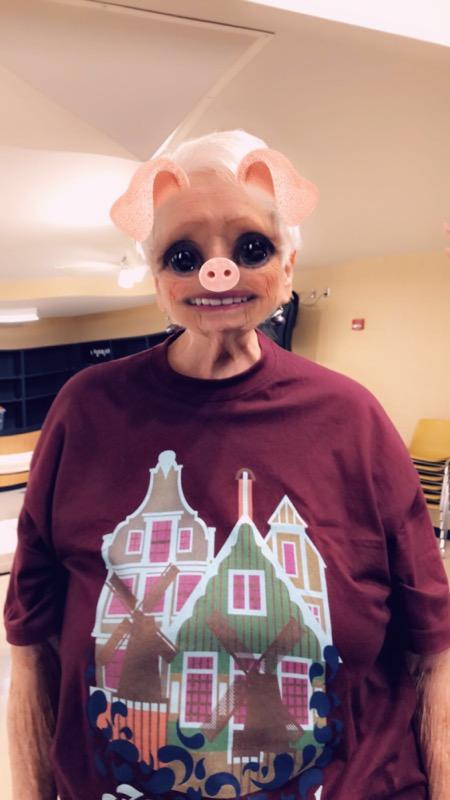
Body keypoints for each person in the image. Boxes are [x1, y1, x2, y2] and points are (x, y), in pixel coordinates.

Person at [4, 130, 450, 800]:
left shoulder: (352, 420)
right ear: (158, 280)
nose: (220, 271)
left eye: (251, 248)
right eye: (184, 256)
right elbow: (30, 650)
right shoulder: (86, 411)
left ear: (289, 265)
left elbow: (433, 653)